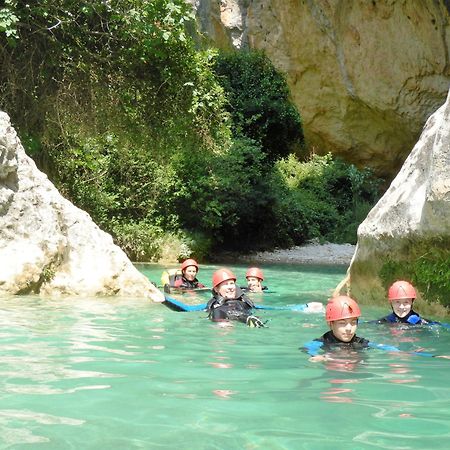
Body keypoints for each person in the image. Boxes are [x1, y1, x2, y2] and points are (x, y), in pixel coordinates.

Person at [303, 295, 450, 363]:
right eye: (342, 323)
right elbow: (307, 348)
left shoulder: (361, 342)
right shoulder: (323, 341)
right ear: (331, 324)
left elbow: (389, 348)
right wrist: (316, 356)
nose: (349, 329)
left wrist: (433, 356)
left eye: (353, 322)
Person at [374, 280, 438, 325]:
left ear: (412, 303)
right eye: (397, 302)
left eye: (406, 302)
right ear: (391, 303)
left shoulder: (422, 323)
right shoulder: (384, 322)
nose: (401, 307)